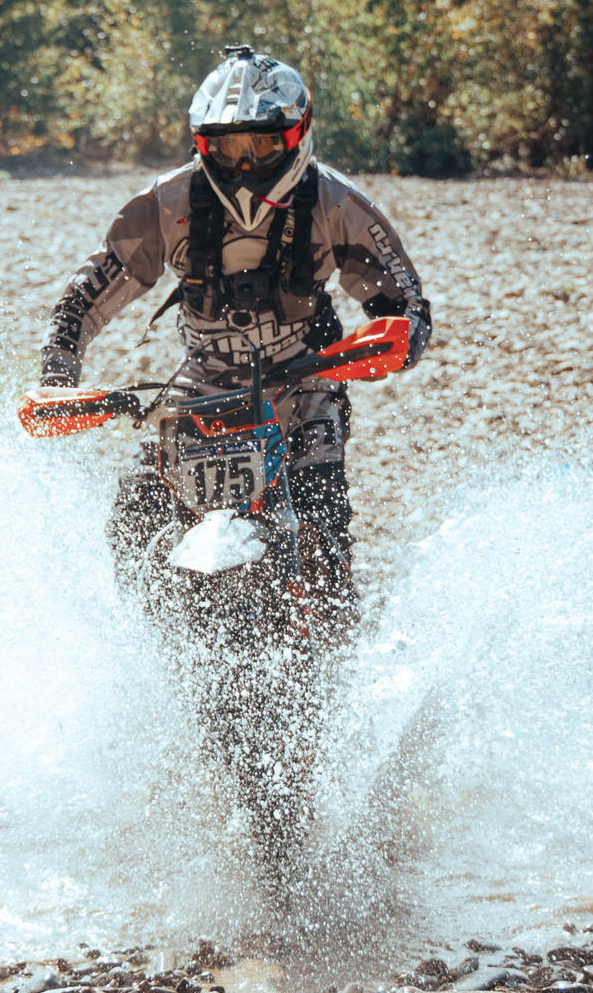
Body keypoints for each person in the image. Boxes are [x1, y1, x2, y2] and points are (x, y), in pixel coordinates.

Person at [41, 45, 432, 622]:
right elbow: (84, 299)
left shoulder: (338, 205)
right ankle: (140, 657)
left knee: (326, 541)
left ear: (298, 134)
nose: (245, 165)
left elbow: (407, 307)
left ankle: (337, 667)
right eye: (228, 148)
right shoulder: (164, 205)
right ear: (202, 144)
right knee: (130, 523)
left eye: (262, 146)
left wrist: (387, 344)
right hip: (198, 392)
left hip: (304, 389)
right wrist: (57, 376)